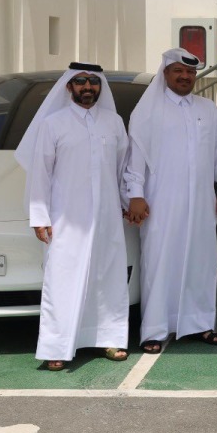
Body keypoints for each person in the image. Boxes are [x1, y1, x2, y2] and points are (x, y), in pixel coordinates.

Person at [15, 63, 130, 371]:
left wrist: (126, 201)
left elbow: (121, 169)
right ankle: (57, 347)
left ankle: (109, 338)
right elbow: (40, 172)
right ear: (69, 87)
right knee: (62, 279)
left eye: (93, 82)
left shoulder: (114, 122)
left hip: (107, 217)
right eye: (80, 82)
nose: (87, 87)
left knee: (107, 277)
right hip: (65, 217)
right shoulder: (54, 124)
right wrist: (39, 215)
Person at [124, 48, 217, 353]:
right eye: (178, 72)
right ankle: (155, 330)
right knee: (160, 262)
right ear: (165, 73)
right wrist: (135, 195)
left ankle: (200, 324)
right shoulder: (148, 111)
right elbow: (136, 159)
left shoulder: (207, 109)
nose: (185, 77)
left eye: (190, 72)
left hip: (201, 202)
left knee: (201, 262)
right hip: (161, 200)